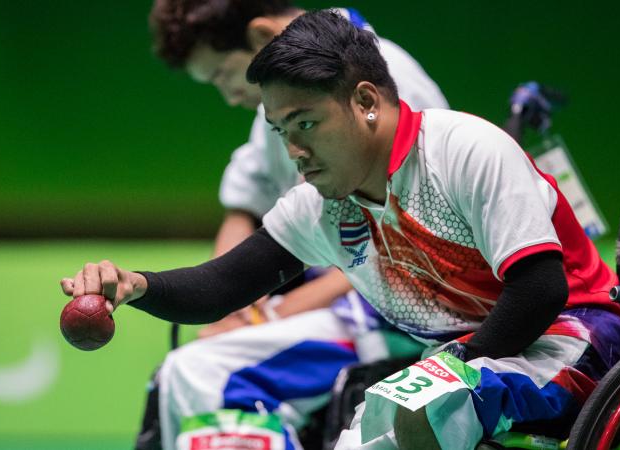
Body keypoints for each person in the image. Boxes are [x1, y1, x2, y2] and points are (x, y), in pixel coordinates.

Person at [66, 10, 620, 449]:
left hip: (568, 341)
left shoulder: (464, 149)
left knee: (397, 413)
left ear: (366, 101)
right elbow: (221, 286)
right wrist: (135, 285)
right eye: (280, 129)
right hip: (464, 360)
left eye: (306, 124)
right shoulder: (319, 204)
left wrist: (444, 365)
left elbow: (539, 290)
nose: (293, 149)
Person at [133, 2, 448, 449]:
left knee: (204, 372)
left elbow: (390, 251)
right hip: (337, 312)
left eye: (223, 74)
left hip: (399, 319)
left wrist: (266, 314)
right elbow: (246, 205)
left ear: (261, 36)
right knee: (181, 371)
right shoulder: (288, 100)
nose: (227, 95)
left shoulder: (381, 86)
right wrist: (236, 306)